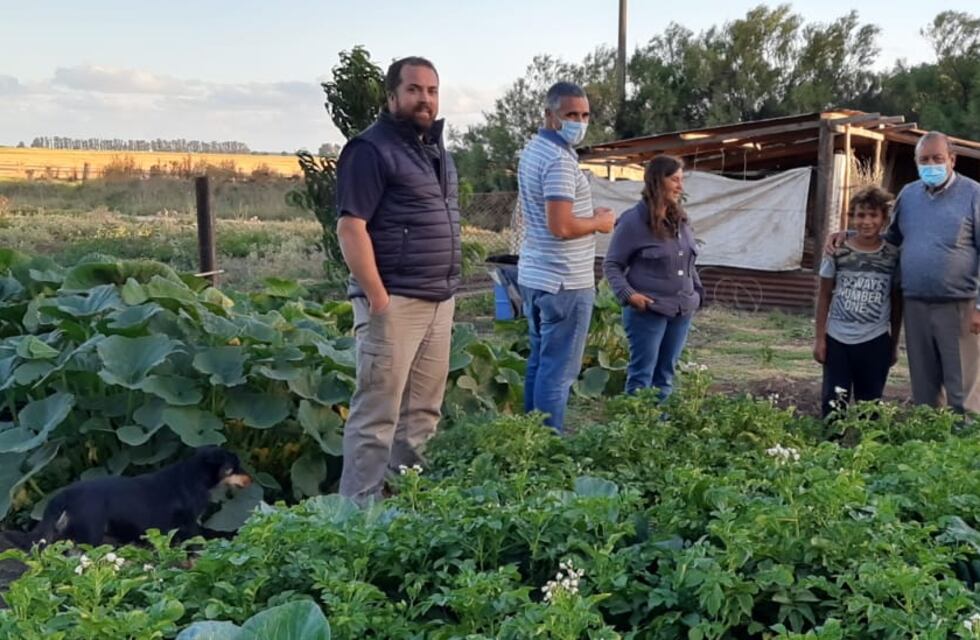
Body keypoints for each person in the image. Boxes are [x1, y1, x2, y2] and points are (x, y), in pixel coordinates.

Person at [334, 56, 460, 502]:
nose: (424, 98)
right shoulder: (370, 149)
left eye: (431, 90)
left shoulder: (435, 150)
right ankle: (358, 519)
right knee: (377, 416)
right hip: (395, 303)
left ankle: (408, 507)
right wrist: (379, 301)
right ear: (392, 97)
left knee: (422, 414)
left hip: (437, 301)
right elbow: (351, 229)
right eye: (414, 90)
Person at [825, 131, 980, 413]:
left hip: (959, 305)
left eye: (937, 158)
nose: (930, 164)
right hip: (915, 304)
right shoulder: (909, 195)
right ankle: (931, 445)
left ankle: (965, 448)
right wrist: (848, 234)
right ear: (917, 162)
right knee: (925, 386)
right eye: (924, 160)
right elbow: (891, 239)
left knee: (962, 390)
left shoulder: (974, 194)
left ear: (952, 160)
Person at [516, 81, 614, 432]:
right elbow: (561, 226)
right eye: (571, 114)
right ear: (549, 115)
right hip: (564, 281)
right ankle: (548, 446)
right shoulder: (558, 161)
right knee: (558, 373)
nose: (579, 121)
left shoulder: (534, 151)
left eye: (585, 114)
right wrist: (600, 223)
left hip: (536, 274)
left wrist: (588, 217)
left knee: (541, 363)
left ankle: (529, 436)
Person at [602, 155, 703, 398]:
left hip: (680, 310)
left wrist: (696, 292)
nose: (681, 186)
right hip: (648, 311)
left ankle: (660, 429)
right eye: (675, 180)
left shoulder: (680, 219)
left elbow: (688, 260)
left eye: (681, 180)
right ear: (658, 181)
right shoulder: (633, 221)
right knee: (641, 376)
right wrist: (629, 295)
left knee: (665, 375)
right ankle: (637, 430)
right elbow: (612, 264)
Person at [814, 186, 902, 417]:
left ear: (883, 219)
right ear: (851, 218)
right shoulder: (837, 250)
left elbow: (896, 302)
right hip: (837, 340)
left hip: (875, 341)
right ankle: (830, 449)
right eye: (860, 215)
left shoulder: (892, 255)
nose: (866, 221)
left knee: (870, 405)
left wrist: (893, 344)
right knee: (833, 402)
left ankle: (868, 451)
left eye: (873, 215)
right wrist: (819, 339)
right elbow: (824, 295)